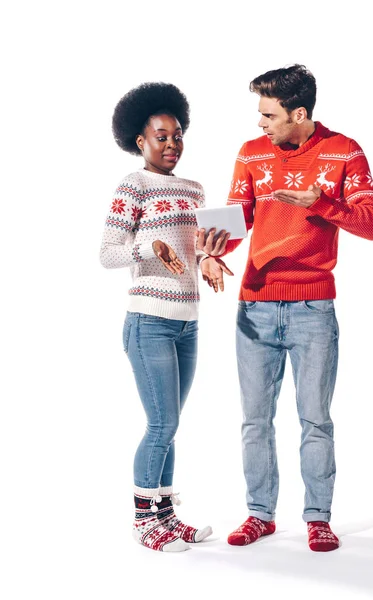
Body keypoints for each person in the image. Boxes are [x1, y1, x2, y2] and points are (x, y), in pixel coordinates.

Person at [198, 64, 373, 551]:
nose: (259, 123)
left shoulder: (344, 151)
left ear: (298, 113)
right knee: (254, 419)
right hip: (254, 308)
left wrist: (321, 201)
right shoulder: (251, 153)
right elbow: (235, 223)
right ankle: (260, 514)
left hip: (313, 308)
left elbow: (372, 223)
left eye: (268, 115)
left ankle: (318, 518)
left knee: (315, 418)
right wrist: (213, 252)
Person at [100, 82, 232, 552]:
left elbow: (193, 248)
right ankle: (143, 523)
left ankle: (168, 516)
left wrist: (209, 258)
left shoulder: (194, 189)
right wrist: (149, 247)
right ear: (141, 142)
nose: (172, 144)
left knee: (170, 423)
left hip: (187, 320)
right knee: (161, 425)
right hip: (148, 320)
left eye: (178, 135)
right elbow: (108, 253)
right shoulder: (133, 186)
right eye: (162, 136)